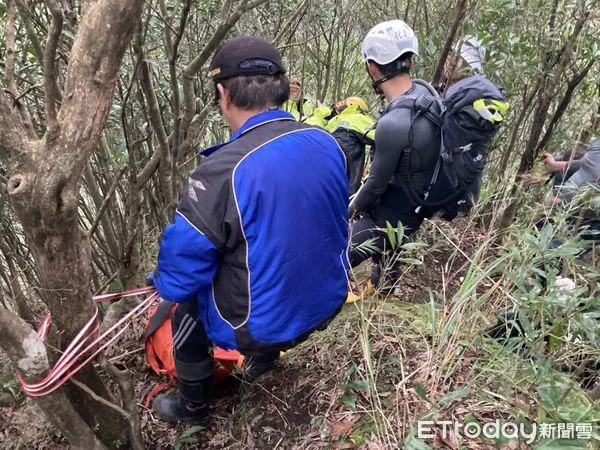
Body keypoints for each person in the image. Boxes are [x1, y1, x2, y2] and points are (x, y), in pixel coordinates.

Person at [148, 36, 350, 425]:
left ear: (223, 93)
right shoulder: (327, 143)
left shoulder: (223, 170)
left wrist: (160, 279)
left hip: (262, 326)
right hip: (325, 302)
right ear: (281, 88)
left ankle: (193, 410)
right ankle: (261, 364)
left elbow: (178, 279)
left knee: (185, 301)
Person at [348, 20, 441, 291]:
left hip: (390, 215)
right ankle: (384, 287)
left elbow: (375, 184)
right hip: (415, 208)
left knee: (334, 257)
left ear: (373, 67)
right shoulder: (427, 96)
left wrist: (349, 211)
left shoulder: (395, 121)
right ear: (410, 63)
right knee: (389, 258)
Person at [306, 96, 376, 195]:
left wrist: (374, 169)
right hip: (322, 177)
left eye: (343, 102)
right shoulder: (334, 120)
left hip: (342, 182)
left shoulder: (359, 117)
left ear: (353, 104)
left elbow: (381, 138)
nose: (339, 104)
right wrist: (320, 115)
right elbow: (307, 131)